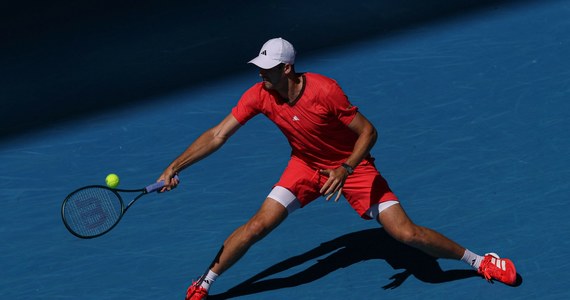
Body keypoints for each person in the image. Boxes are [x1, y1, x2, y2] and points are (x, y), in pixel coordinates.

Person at [157, 38, 517, 300]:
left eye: (267, 69)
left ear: (287, 69)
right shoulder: (260, 95)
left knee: (408, 235)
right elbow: (218, 134)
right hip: (304, 166)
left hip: (353, 169)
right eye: (259, 69)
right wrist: (175, 166)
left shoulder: (325, 91)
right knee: (257, 226)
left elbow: (368, 132)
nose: (261, 75)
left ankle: (480, 260)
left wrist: (345, 168)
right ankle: (204, 284)